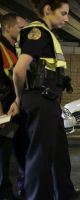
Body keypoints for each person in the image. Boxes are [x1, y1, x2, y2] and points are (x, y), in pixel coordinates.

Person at [8, 1, 79, 199]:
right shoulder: (38, 32)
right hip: (40, 99)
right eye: (63, 13)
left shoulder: (47, 35)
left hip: (48, 101)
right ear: (48, 10)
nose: (67, 18)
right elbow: (19, 70)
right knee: (40, 156)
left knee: (58, 153)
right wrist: (19, 98)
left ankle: (64, 192)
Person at [0, 13, 27, 200]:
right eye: (20, 27)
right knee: (4, 152)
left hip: (15, 109)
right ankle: (4, 190)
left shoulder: (15, 49)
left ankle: (23, 186)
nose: (22, 31)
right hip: (5, 110)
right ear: (8, 27)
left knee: (20, 148)